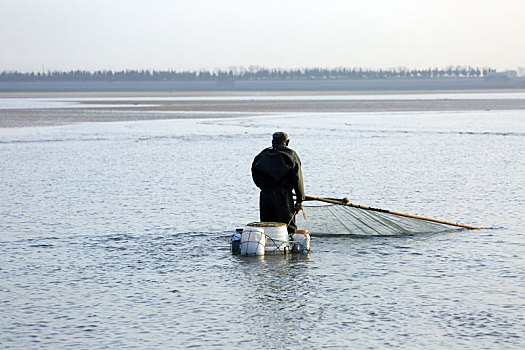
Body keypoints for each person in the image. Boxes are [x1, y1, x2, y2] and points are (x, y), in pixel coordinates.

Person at [251, 131, 305, 234]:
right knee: (288, 227)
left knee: (266, 226)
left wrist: (264, 187)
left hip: (265, 194)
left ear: (272, 142)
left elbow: (255, 175)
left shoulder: (261, 155)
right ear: (287, 142)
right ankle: (289, 247)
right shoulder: (291, 155)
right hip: (283, 195)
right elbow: (297, 179)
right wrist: (299, 200)